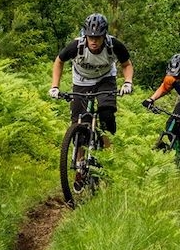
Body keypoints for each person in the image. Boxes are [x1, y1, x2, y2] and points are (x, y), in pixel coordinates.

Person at [49, 13, 133, 149]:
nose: (94, 41)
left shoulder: (114, 45)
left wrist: (127, 82)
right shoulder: (76, 46)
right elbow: (59, 61)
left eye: (98, 37)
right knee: (79, 122)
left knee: (106, 114)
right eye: (90, 37)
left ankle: (108, 153)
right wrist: (55, 86)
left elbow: (126, 64)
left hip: (105, 78)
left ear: (104, 35)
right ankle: (79, 159)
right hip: (82, 80)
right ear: (85, 35)